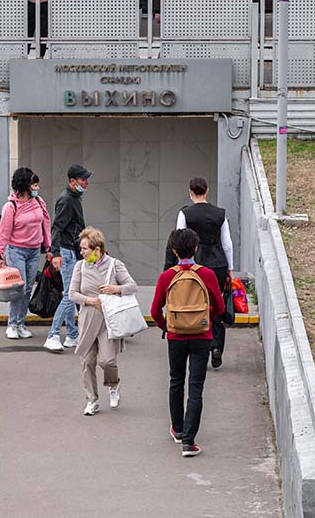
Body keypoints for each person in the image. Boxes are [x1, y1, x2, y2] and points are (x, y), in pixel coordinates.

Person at [152, 228, 225, 458]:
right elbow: (220, 308)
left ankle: (178, 429)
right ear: (195, 248)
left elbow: (155, 310)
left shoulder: (167, 276)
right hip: (201, 336)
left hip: (175, 337)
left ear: (173, 250)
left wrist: (166, 325)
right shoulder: (207, 274)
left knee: (176, 381)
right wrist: (203, 318)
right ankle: (189, 442)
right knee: (196, 386)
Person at [165, 177, 234, 369]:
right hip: (218, 262)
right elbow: (227, 244)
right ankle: (217, 346)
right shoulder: (220, 214)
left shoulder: (185, 213)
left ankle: (198, 337)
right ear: (207, 190)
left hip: (196, 265)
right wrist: (230, 268)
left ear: (190, 192)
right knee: (216, 303)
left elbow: (178, 239)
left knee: (196, 302)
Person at [69, 227, 137, 415]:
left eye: (85, 249)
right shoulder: (80, 266)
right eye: (81, 248)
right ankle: (92, 400)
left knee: (108, 361)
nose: (81, 252)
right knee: (87, 362)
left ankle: (113, 385)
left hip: (109, 321)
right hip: (88, 319)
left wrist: (114, 289)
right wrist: (91, 301)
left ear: (97, 249)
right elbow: (72, 294)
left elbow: (132, 286)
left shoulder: (115, 265)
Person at [0, 167, 51, 340]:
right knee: (19, 288)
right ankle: (12, 323)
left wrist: (48, 248)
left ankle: (21, 322)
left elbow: (45, 225)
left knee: (27, 289)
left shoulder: (39, 202)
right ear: (25, 185)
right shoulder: (11, 206)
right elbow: (3, 231)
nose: (37, 187)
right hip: (16, 250)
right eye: (34, 184)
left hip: (34, 251)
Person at [44, 163, 92, 353]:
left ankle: (72, 335)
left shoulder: (74, 198)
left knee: (72, 293)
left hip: (70, 250)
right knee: (70, 295)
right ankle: (53, 335)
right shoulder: (67, 200)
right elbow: (57, 227)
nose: (86, 183)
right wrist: (55, 253)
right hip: (66, 252)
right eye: (83, 179)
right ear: (73, 181)